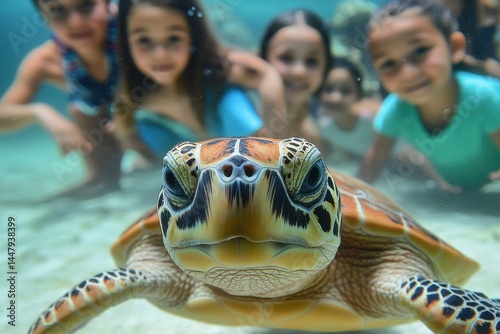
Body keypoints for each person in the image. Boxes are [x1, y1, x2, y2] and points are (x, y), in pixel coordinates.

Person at [114, 0, 289, 161]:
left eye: (174, 38)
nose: (161, 54)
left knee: (231, 101)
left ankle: (257, 154)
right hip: (198, 157)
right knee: (147, 129)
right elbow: (124, 133)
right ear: (126, 42)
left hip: (240, 143)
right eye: (144, 40)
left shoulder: (217, 69)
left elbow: (267, 74)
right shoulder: (135, 97)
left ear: (193, 35)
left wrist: (274, 135)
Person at [357, 0, 500, 192]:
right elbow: (371, 167)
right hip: (455, 195)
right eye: (388, 64)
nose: (408, 73)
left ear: (454, 47)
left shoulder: (482, 97)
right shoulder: (394, 109)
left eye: (420, 51)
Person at [0, 0, 122, 197]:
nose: (76, 22)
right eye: (56, 10)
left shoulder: (135, 31)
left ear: (109, 5)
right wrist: (39, 112)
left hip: (162, 125)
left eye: (86, 5)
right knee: (103, 183)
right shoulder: (46, 60)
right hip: (109, 125)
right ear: (44, 19)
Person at [259, 9, 332, 148]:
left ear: (326, 66)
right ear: (264, 59)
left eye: (312, 61)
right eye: (286, 58)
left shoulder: (313, 137)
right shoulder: (239, 114)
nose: (299, 71)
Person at [316, 57, 379, 162]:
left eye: (345, 91)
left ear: (359, 95)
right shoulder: (324, 128)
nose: (336, 98)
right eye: (329, 89)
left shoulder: (370, 119)